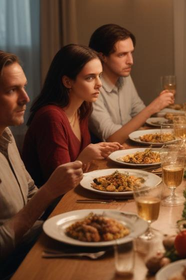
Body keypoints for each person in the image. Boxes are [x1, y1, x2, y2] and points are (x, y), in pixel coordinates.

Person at [0, 51, 83, 280]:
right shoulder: (49, 117)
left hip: (32, 244)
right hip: (11, 270)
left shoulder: (5, 133)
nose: (26, 97)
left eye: (24, 87)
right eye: (11, 90)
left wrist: (70, 221)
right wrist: (50, 191)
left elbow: (30, 192)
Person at [22, 45, 122, 187]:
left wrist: (94, 153)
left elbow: (83, 168)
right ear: (67, 82)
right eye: (90, 78)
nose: (99, 84)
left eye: (99, 76)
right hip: (51, 205)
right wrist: (84, 158)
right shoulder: (51, 117)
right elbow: (58, 184)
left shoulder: (82, 108)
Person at [88, 24, 174, 143]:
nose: (130, 61)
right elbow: (112, 138)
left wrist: (178, 117)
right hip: (106, 157)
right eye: (122, 55)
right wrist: (152, 107)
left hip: (130, 146)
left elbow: (138, 112)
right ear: (102, 57)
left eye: (131, 53)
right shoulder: (92, 89)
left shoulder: (124, 76)